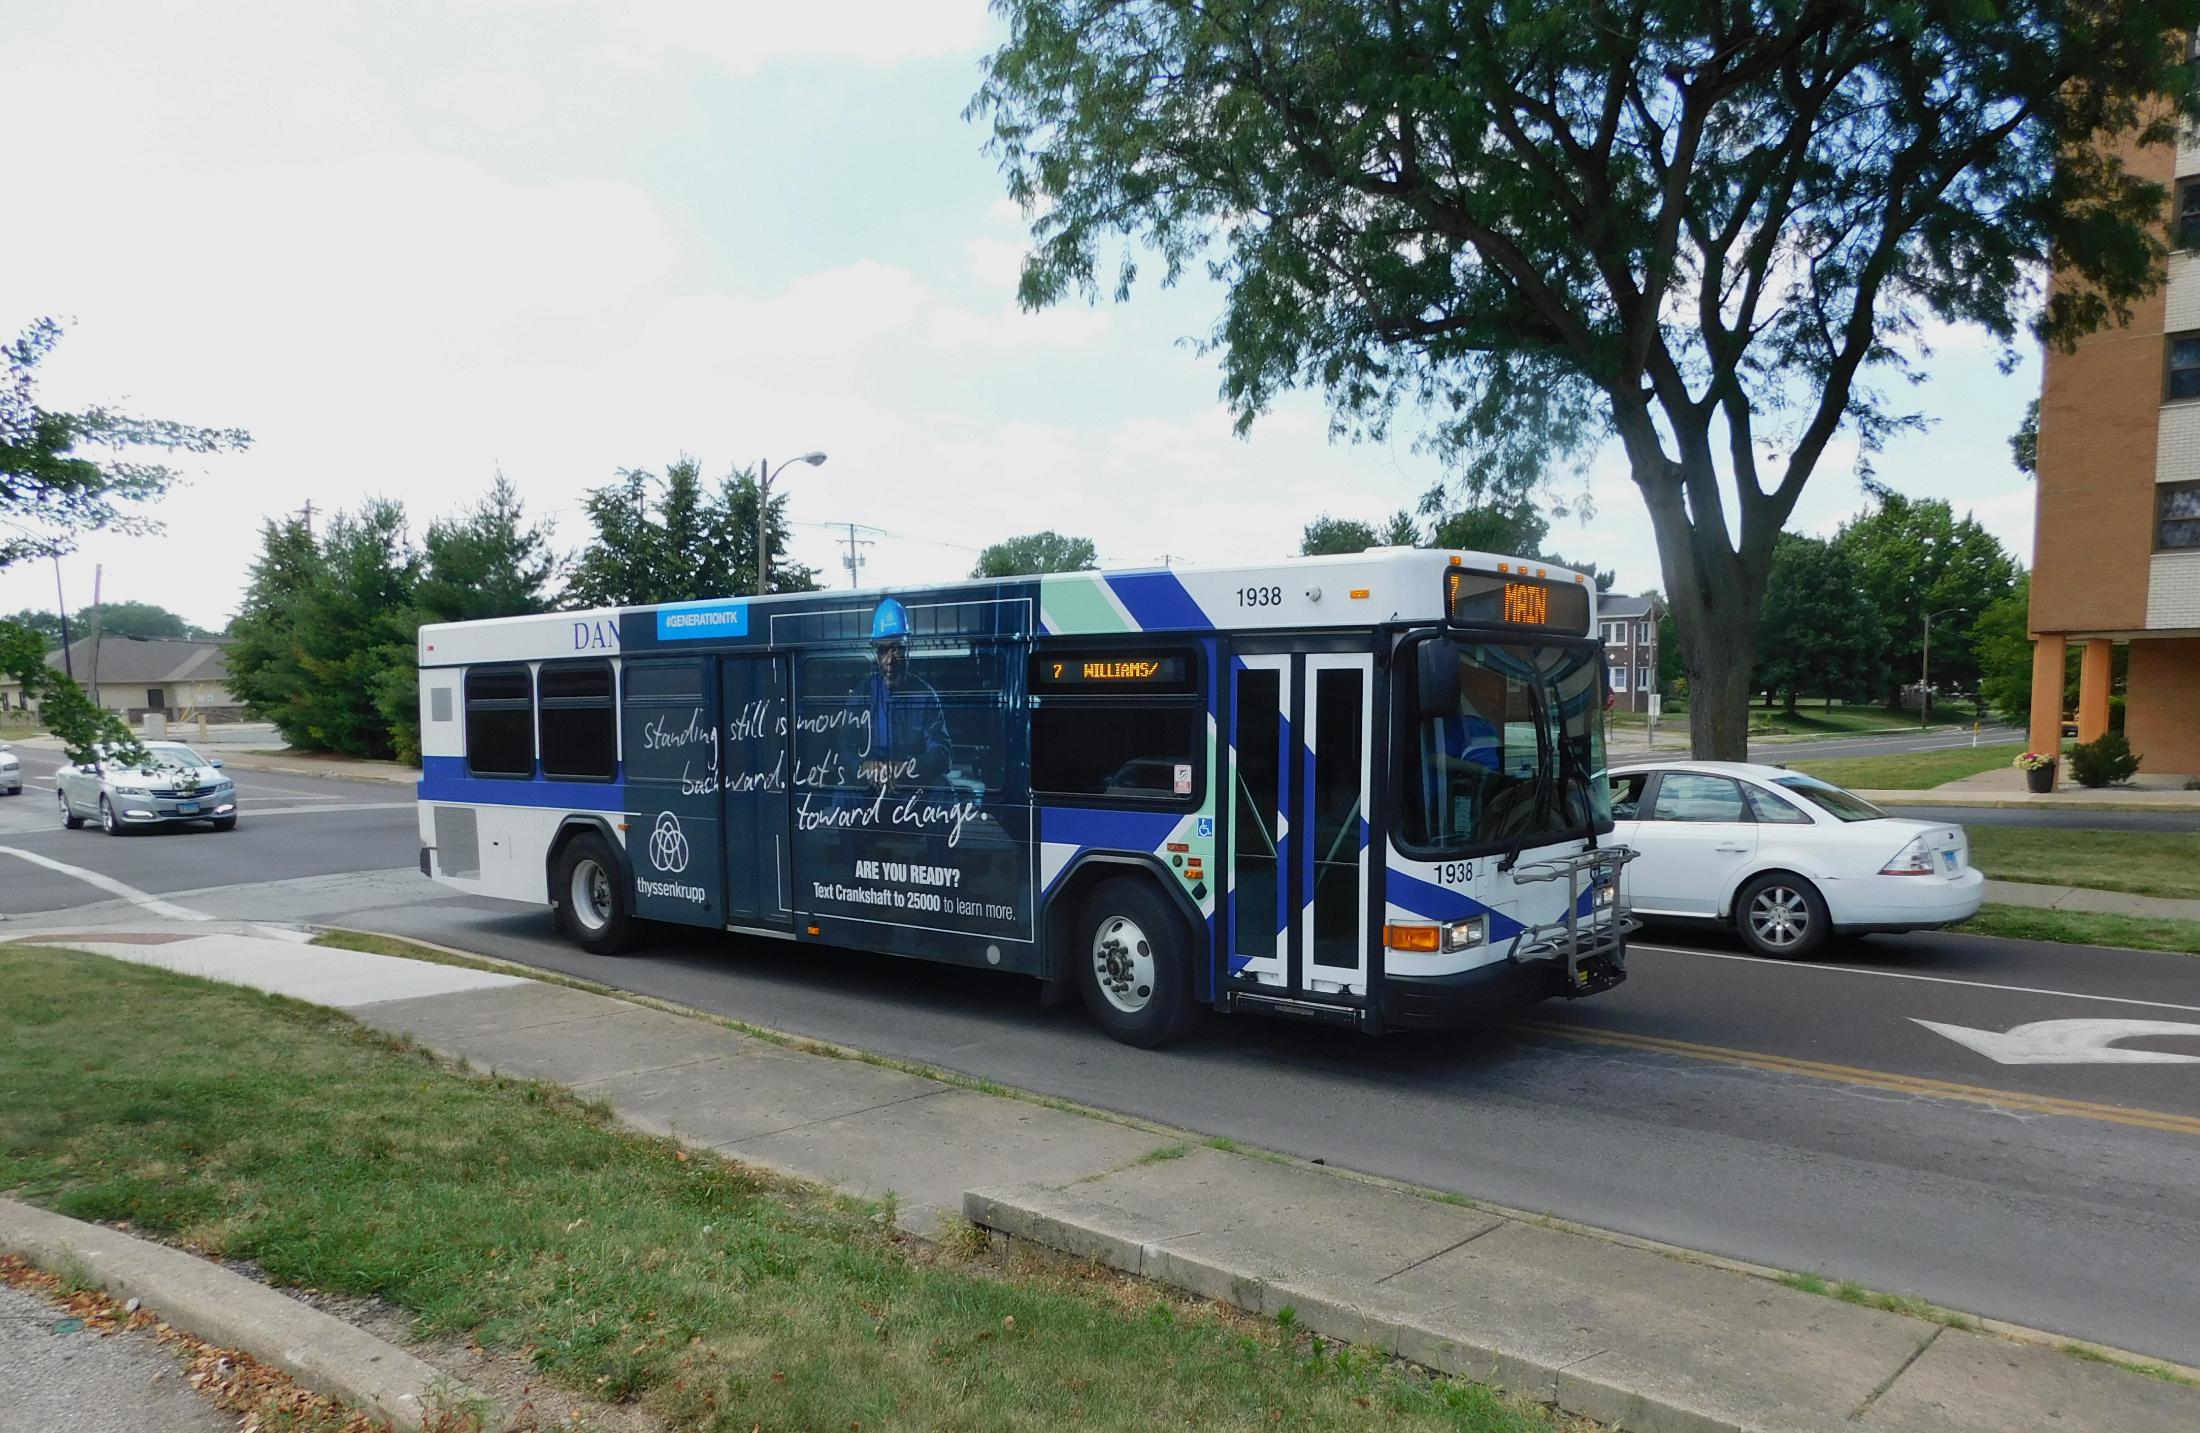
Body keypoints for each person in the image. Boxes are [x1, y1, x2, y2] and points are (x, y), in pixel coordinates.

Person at [853, 597, 953, 787]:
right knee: (844, 796)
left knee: (944, 789)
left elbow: (942, 754)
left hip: (911, 787)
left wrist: (903, 769)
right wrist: (866, 767)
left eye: (896, 649)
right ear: (875, 653)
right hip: (871, 788)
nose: (889, 660)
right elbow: (844, 748)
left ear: (908, 649)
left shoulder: (926, 697)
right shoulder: (862, 694)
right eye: (883, 650)